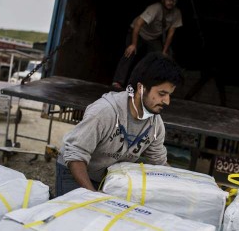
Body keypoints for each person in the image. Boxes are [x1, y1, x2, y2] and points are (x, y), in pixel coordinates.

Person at [56, 52, 183, 196]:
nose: (167, 101)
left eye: (169, 95)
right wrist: (93, 195)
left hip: (108, 178)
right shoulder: (104, 112)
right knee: (77, 215)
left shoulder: (155, 125)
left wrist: (182, 185)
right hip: (75, 170)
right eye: (162, 93)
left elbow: (159, 163)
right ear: (141, 88)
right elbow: (75, 155)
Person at [111, 0, 182, 90]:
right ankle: (117, 82)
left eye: (174, 0)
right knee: (130, 53)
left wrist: (164, 51)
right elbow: (138, 24)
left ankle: (144, 85)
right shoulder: (155, 8)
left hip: (152, 38)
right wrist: (133, 44)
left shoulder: (176, 13)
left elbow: (170, 34)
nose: (171, 2)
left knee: (159, 58)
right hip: (138, 33)